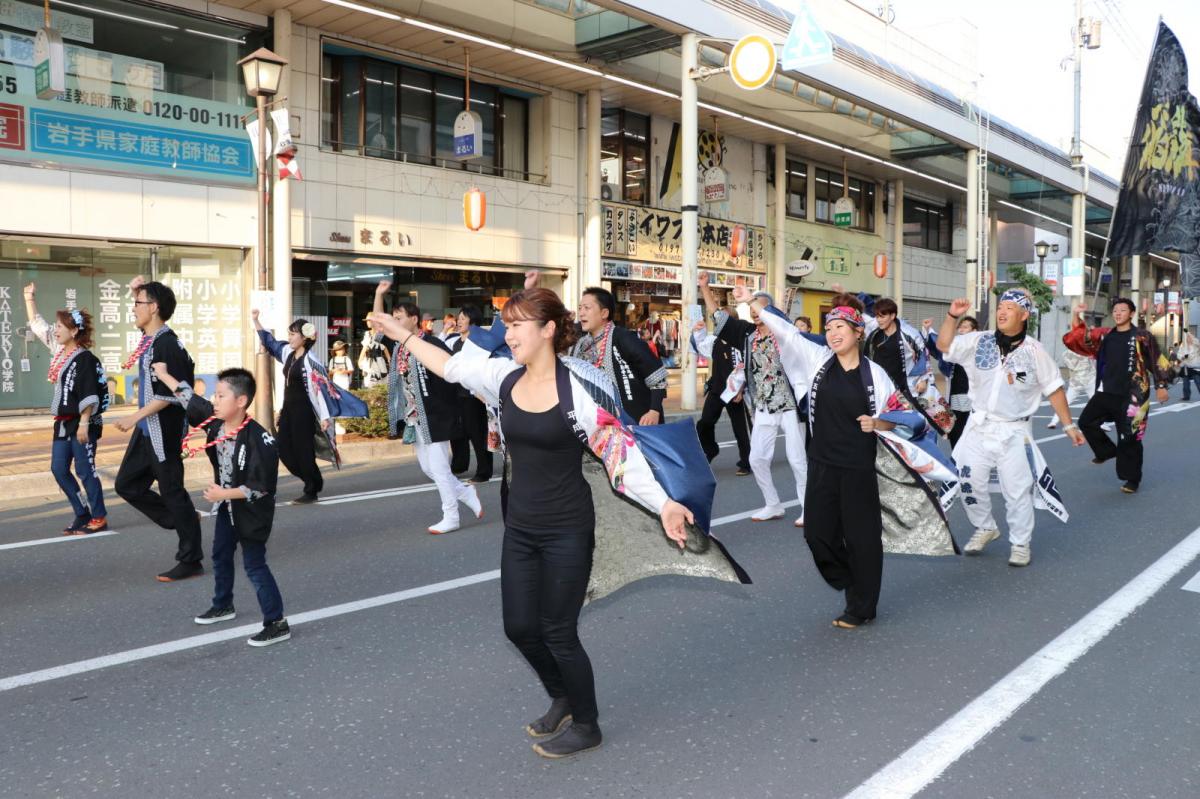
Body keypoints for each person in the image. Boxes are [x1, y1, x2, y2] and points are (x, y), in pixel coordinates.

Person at [368, 286, 747, 759]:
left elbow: (620, 454)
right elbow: (447, 365)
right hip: (521, 527)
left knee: (558, 631)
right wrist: (401, 334)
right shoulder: (503, 377)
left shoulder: (576, 391)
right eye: (507, 326)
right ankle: (562, 696)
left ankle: (587, 725)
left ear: (548, 329)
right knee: (518, 627)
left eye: (517, 326)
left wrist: (665, 504)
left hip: (568, 528)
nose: (508, 335)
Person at [746, 287, 959, 627]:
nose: (832, 334)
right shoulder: (817, 361)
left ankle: (861, 606)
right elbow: (785, 330)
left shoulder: (875, 375)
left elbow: (904, 416)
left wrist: (878, 422)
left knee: (863, 540)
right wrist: (752, 301)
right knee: (817, 535)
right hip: (821, 463)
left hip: (859, 467)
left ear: (858, 332)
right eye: (829, 328)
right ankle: (850, 579)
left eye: (840, 328)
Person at [937, 291, 1085, 567]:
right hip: (978, 426)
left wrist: (1068, 425)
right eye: (1000, 307)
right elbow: (944, 345)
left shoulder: (1034, 351)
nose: (1002, 312)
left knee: (1017, 491)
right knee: (968, 481)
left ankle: (1020, 543)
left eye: (1010, 308)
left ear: (1024, 315)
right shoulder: (979, 340)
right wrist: (952, 316)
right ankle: (985, 526)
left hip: (1014, 431)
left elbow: (1054, 388)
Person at [152, 364, 290, 646]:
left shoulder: (259, 439)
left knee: (254, 565)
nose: (215, 401)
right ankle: (223, 604)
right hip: (227, 507)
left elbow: (261, 487)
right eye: (215, 395)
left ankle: (277, 623)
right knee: (220, 555)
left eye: (221, 396)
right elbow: (189, 398)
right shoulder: (216, 424)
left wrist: (223, 494)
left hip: (251, 512)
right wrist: (164, 374)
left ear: (241, 401)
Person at [112, 277, 204, 582]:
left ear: (154, 308)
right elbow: (144, 320)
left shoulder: (167, 344)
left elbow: (172, 395)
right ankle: (182, 518)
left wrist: (133, 417)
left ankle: (191, 559)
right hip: (147, 429)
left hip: (163, 430)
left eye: (138, 303)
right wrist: (135, 290)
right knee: (127, 484)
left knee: (172, 490)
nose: (133, 308)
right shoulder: (151, 339)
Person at [700, 272, 807, 526]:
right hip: (764, 405)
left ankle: (809, 508)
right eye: (752, 307)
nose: (755, 311)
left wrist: (751, 299)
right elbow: (719, 317)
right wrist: (704, 287)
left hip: (790, 405)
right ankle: (773, 504)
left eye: (760, 306)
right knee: (757, 458)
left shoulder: (785, 332)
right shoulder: (747, 334)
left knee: (797, 459)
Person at [373, 282, 479, 534]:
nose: (394, 322)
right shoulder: (398, 345)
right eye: (393, 318)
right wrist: (378, 294)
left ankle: (451, 515)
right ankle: (465, 492)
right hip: (414, 416)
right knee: (428, 468)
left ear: (414, 319)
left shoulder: (431, 343)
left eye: (399, 318)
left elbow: (452, 370)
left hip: (437, 414)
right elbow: (378, 323)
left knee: (440, 468)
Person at [23, 283, 110, 535]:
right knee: (59, 469)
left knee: (85, 470)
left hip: (83, 422)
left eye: (60, 326)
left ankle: (99, 517)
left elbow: (89, 393)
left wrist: (84, 423)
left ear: (73, 331)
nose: (55, 330)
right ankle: (82, 513)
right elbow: (38, 326)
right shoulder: (59, 351)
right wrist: (29, 298)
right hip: (63, 422)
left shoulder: (86, 359)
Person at [1065, 298, 1172, 494]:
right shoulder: (1105, 335)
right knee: (1086, 421)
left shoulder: (1142, 336)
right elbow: (1078, 337)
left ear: (1131, 314)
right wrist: (1075, 314)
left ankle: (1132, 479)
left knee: (1130, 437)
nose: (1118, 313)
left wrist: (1161, 386)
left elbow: (1157, 359)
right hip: (1107, 391)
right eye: (1115, 310)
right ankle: (1106, 451)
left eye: (1123, 310)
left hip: (1133, 395)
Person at [253, 313, 331, 504]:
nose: (289, 338)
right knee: (283, 450)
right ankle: (313, 479)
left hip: (304, 412)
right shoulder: (288, 353)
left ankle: (311, 490)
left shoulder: (311, 361)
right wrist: (256, 321)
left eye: (293, 334)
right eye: (289, 334)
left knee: (304, 451)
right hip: (288, 411)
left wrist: (325, 416)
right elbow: (271, 343)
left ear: (304, 338)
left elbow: (322, 390)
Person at [573, 287, 666, 425]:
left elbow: (656, 375)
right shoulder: (581, 344)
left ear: (604, 313)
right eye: (580, 308)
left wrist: (654, 410)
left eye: (587, 308)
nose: (581, 313)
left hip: (634, 420)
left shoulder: (623, 338)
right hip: (595, 421)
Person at [689, 318, 752, 476]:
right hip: (716, 389)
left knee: (740, 429)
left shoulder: (741, 342)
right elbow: (699, 345)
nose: (719, 325)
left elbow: (746, 368)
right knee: (705, 422)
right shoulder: (714, 341)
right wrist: (698, 330)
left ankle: (747, 462)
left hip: (734, 391)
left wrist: (741, 389)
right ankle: (710, 449)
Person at [449, 304, 494, 483]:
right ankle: (459, 465)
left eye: (463, 318)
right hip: (457, 394)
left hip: (474, 395)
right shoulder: (456, 342)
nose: (458, 321)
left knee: (478, 434)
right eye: (458, 318)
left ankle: (484, 471)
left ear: (472, 321)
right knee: (458, 432)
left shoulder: (478, 343)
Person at [922, 315, 978, 446]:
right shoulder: (954, 346)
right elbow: (939, 346)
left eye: (965, 327)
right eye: (960, 327)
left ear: (974, 331)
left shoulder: (981, 349)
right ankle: (956, 456)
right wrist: (927, 330)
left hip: (976, 397)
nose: (961, 330)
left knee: (972, 432)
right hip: (957, 394)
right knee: (956, 430)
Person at [1046, 346, 1096, 429]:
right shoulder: (1087, 352)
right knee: (1097, 403)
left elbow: (1068, 366)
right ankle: (1101, 424)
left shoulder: (1065, 354)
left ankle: (1053, 422)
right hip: (1089, 381)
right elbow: (1094, 363)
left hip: (1075, 382)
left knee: (1064, 403)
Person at [358, 320, 389, 388]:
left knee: (381, 379)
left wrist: (389, 359)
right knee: (369, 380)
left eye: (369, 321)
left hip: (379, 360)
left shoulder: (381, 333)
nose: (367, 323)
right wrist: (360, 360)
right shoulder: (367, 333)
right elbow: (365, 348)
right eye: (367, 321)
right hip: (368, 361)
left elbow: (384, 347)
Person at [1176, 331, 1200, 401]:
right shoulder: (1183, 346)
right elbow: (1179, 355)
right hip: (1186, 367)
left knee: (1198, 382)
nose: (1189, 338)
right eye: (1187, 337)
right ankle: (1186, 396)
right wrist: (1183, 357)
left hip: (1195, 367)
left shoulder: (1196, 346)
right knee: (1185, 383)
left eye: (1190, 337)